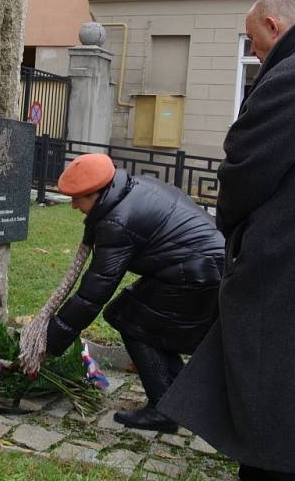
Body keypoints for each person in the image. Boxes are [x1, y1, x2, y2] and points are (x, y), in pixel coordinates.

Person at [158, 0, 295, 480]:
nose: (254, 54)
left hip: (288, 276)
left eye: (255, 44)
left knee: (273, 428)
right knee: (292, 423)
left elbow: (246, 167)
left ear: (274, 26)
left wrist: (233, 227)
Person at [45, 153, 225, 433]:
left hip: (196, 273)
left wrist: (50, 341)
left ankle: (162, 409)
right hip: (201, 267)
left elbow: (94, 291)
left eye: (77, 198)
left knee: (132, 320)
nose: (73, 206)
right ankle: (179, 399)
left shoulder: (117, 221)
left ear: (96, 193)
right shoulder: (129, 189)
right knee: (141, 318)